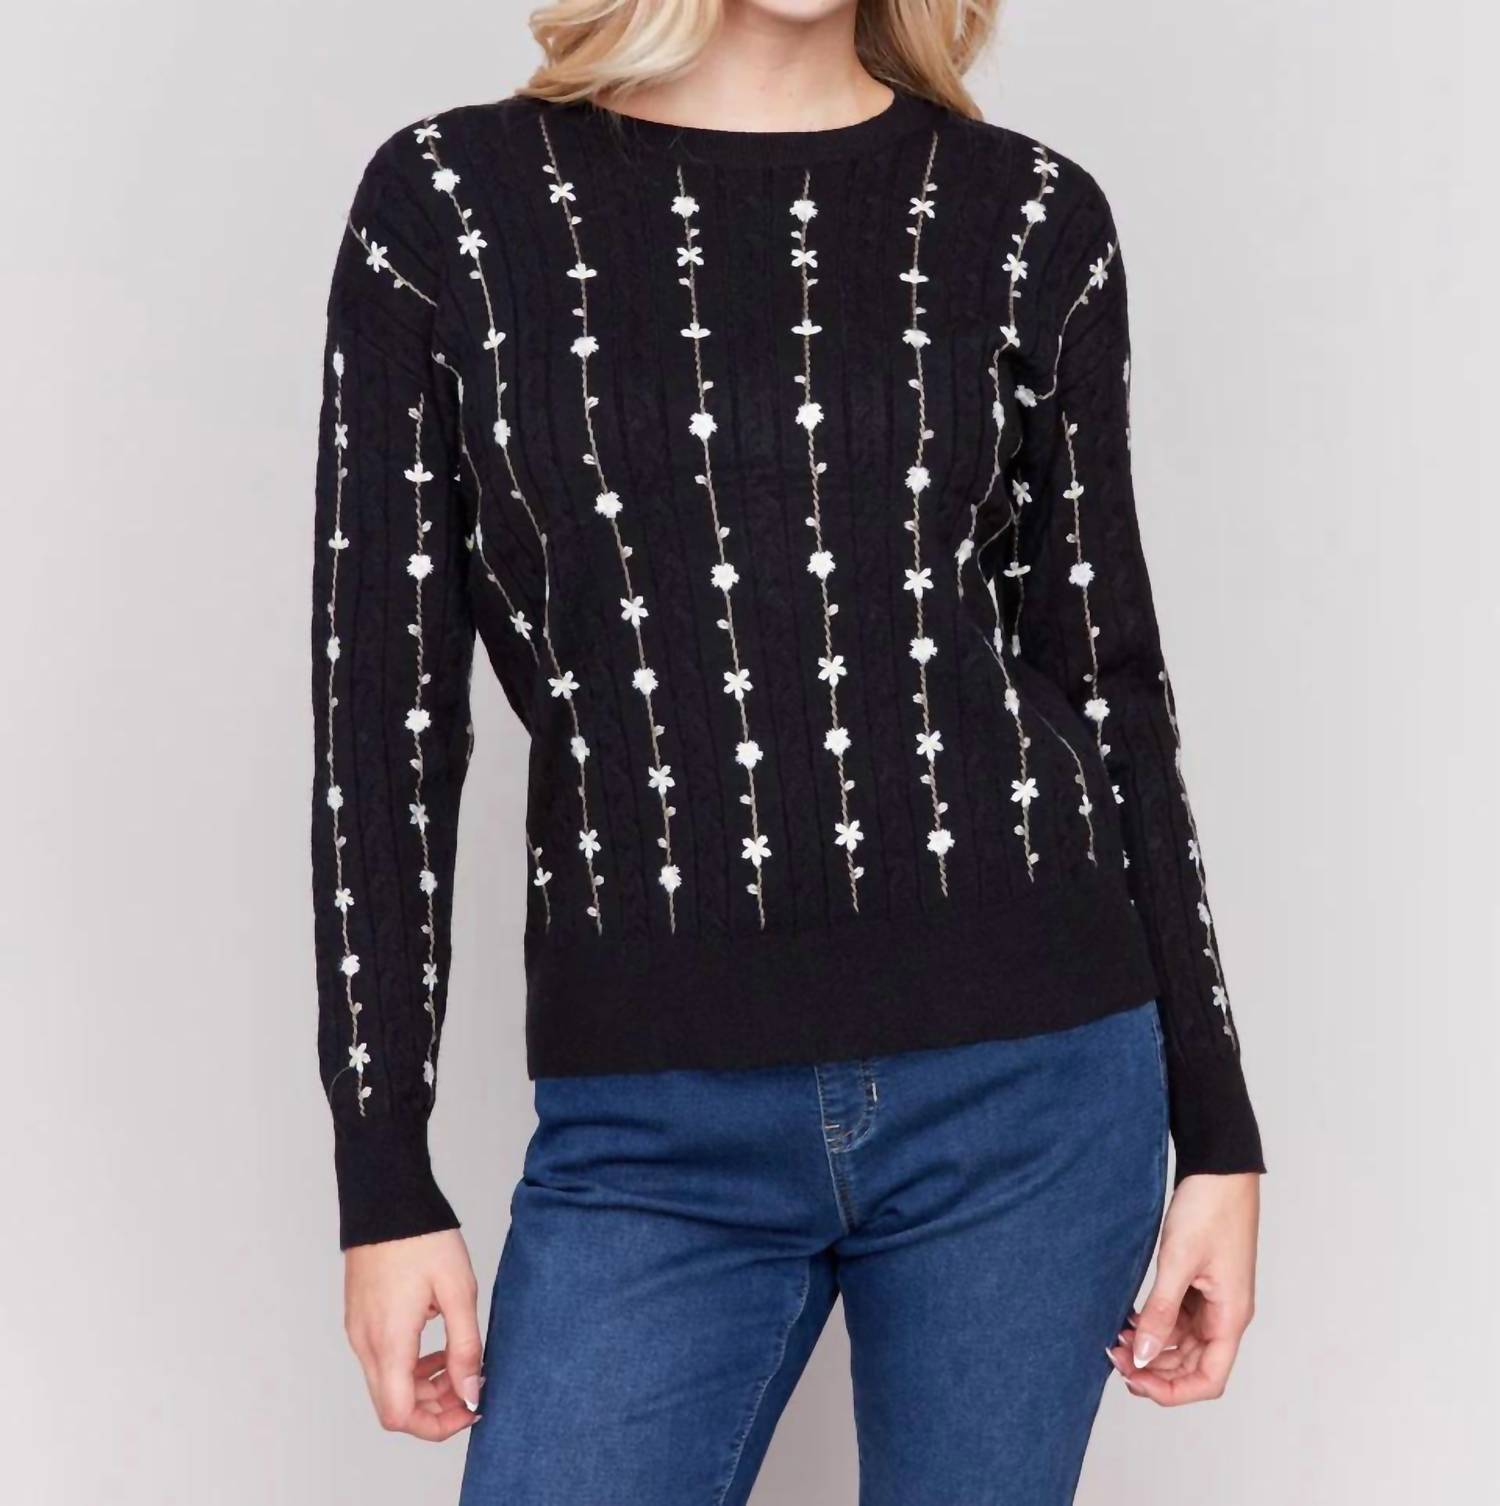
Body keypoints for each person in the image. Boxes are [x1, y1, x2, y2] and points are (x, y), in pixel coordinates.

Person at [309, 0, 1264, 1498]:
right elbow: (382, 717)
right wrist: (383, 1174)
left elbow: (1109, 683)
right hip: (650, 1118)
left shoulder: (1028, 217)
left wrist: (1218, 1129)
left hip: (1029, 1085)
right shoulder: (452, 210)